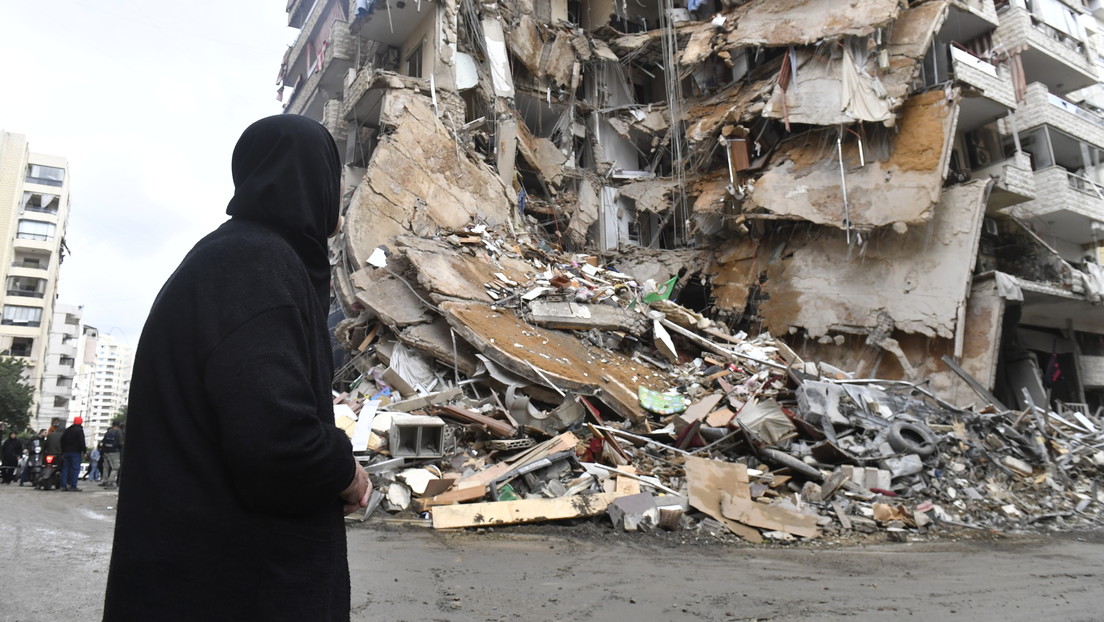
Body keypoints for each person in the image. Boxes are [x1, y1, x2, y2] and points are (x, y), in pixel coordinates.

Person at [103, 115, 371, 622]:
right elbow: (277, 442)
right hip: (233, 587)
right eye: (334, 175)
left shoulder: (241, 258)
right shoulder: (257, 267)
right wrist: (346, 473)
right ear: (314, 179)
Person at [60, 417, 87, 491]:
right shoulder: (79, 430)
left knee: (65, 468)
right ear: (81, 422)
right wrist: (84, 451)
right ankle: (73, 486)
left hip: (66, 452)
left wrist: (63, 451)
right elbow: (82, 442)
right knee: (75, 469)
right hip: (76, 452)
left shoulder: (67, 430)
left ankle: (63, 485)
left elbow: (62, 440)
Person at [100, 422, 123, 488]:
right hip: (114, 452)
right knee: (116, 467)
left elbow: (103, 442)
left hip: (106, 452)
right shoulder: (119, 432)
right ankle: (110, 482)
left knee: (106, 467)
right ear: (118, 426)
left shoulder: (108, 432)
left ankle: (104, 481)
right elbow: (120, 443)